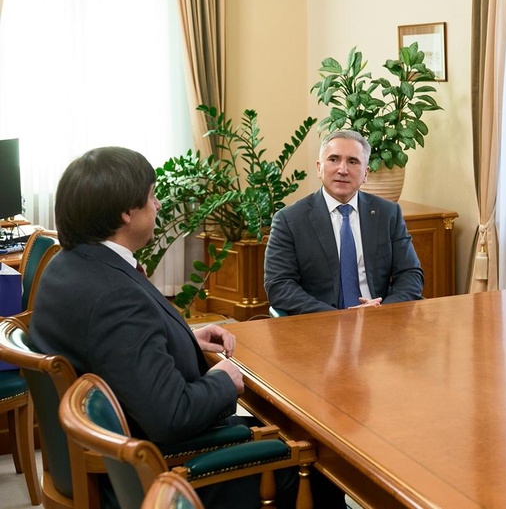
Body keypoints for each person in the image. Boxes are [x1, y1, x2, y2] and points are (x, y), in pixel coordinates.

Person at [28, 147, 296, 508]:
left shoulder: (67, 266)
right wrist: (224, 379)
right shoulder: (113, 296)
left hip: (113, 455)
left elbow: (119, 352)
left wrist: (184, 338)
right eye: (152, 196)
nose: (157, 205)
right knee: (309, 463)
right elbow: (172, 416)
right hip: (154, 477)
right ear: (126, 213)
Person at [264, 129, 424, 315]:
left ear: (365, 173)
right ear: (319, 168)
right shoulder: (289, 220)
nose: (342, 170)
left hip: (379, 318)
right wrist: (338, 317)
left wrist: (381, 311)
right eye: (334, 159)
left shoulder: (388, 213)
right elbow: (279, 285)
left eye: (353, 161)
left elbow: (410, 273)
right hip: (321, 322)